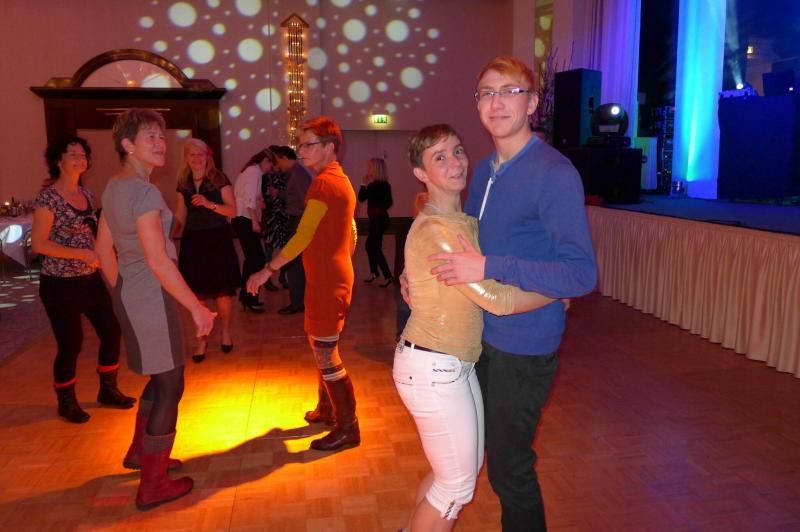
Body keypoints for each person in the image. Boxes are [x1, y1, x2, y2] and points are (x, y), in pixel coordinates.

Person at [425, 56, 597, 530]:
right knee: (470, 451)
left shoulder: (553, 173)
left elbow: (581, 274)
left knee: (509, 469)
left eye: (509, 91)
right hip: (480, 337)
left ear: (532, 103)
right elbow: (469, 246)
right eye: (487, 92)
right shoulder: (483, 171)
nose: (496, 102)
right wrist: (420, 276)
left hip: (524, 346)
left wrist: (493, 266)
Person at [396, 124, 556, 531]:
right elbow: (496, 300)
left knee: (448, 476)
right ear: (421, 173)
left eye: (457, 150)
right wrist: (555, 293)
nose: (455, 163)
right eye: (440, 157)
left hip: (454, 363)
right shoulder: (439, 230)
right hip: (433, 366)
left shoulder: (459, 219)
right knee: (455, 487)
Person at [96, 108, 216, 510]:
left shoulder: (114, 185)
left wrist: (122, 291)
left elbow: (103, 251)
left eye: (162, 136)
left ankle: (139, 453)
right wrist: (197, 308)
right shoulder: (143, 192)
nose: (161, 143)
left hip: (132, 294)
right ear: (128, 144)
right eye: (150, 137)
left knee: (159, 376)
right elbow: (158, 260)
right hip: (149, 295)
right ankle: (154, 484)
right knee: (170, 383)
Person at [248, 116, 359, 451]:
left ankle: (348, 427)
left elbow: (302, 237)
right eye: (300, 143)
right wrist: (339, 259)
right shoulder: (338, 179)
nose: (301, 150)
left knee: (326, 353)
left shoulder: (324, 184)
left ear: (329, 147)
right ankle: (327, 409)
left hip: (328, 281)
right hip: (331, 276)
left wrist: (267, 270)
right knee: (320, 346)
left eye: (309, 144)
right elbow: (351, 231)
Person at [32, 135, 135, 424]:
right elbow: (39, 244)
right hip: (59, 284)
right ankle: (66, 401)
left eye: (83, 155)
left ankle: (108, 390)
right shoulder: (49, 198)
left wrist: (104, 252)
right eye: (73, 155)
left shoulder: (86, 194)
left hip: (88, 279)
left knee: (111, 331)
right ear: (58, 161)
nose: (81, 159)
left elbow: (91, 234)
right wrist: (81, 254)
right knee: (71, 343)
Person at [172, 138, 239, 362]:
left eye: (200, 153)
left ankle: (226, 332)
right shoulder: (183, 182)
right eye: (192, 154)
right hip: (193, 241)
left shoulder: (219, 179)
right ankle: (202, 339)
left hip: (218, 239)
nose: (197, 158)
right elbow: (180, 215)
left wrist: (209, 204)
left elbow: (233, 211)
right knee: (196, 295)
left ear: (207, 156)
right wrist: (168, 235)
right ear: (186, 157)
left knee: (223, 292)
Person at [269, 144, 312, 315]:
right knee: (296, 263)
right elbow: (295, 195)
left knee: (293, 262)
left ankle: (297, 303)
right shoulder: (297, 172)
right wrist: (280, 194)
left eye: (277, 161)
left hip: (299, 221)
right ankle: (300, 301)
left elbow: (305, 200)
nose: (277, 165)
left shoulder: (297, 174)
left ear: (285, 158)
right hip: (297, 219)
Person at [232, 149, 273, 313]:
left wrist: (259, 201)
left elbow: (250, 197)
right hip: (245, 220)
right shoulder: (254, 171)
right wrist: (255, 222)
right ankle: (250, 298)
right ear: (265, 161)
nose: (270, 168)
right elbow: (249, 200)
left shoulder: (252, 171)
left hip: (243, 219)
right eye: (270, 164)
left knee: (252, 260)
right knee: (257, 260)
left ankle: (246, 297)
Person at [358, 157, 394, 287]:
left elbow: (388, 202)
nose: (368, 170)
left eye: (370, 167)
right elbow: (361, 198)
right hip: (376, 219)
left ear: (375, 169)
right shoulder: (373, 185)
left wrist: (378, 207)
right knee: (370, 246)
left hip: (380, 219)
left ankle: (388, 276)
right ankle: (375, 273)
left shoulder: (380, 185)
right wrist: (363, 184)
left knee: (374, 246)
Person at [260, 150, 288, 291]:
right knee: (269, 248)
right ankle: (267, 279)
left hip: (283, 215)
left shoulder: (284, 174)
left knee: (285, 247)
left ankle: (283, 277)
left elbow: (289, 193)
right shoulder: (265, 176)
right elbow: (263, 195)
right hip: (271, 216)